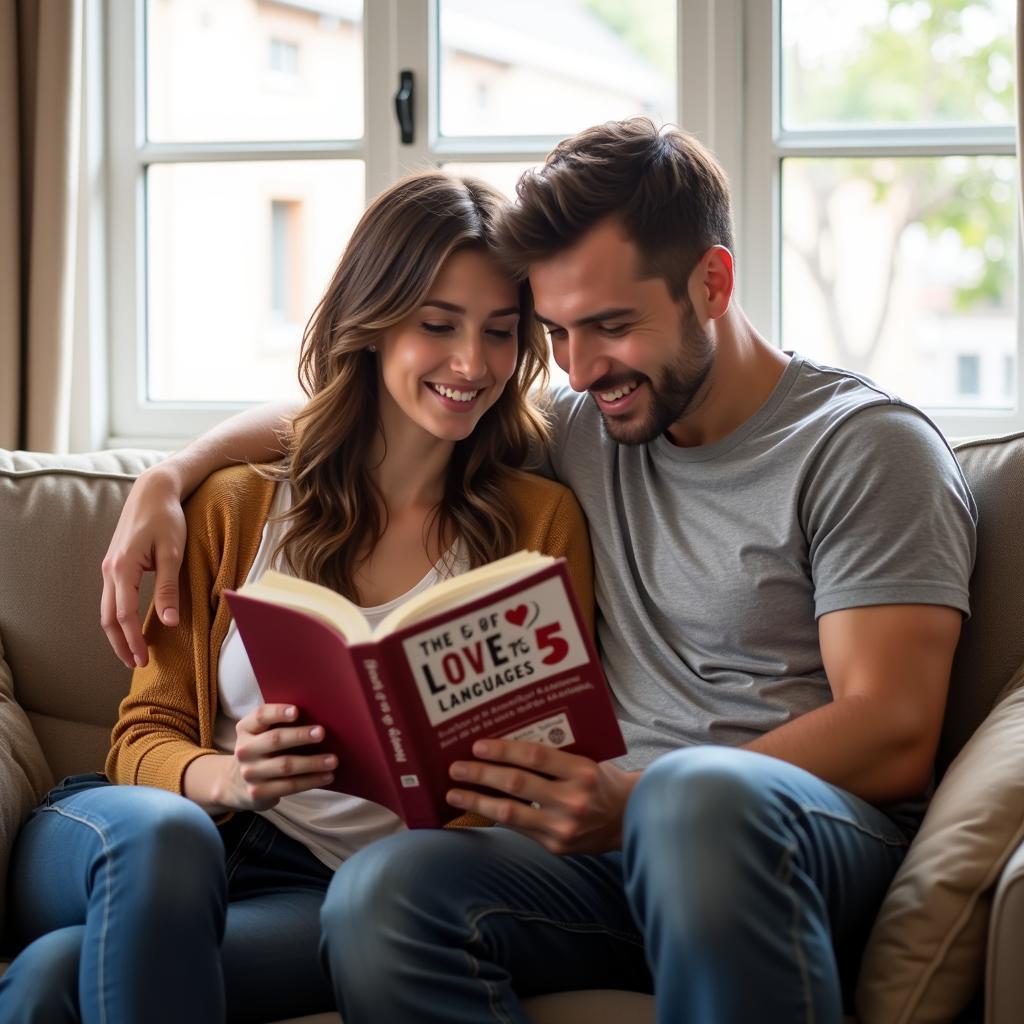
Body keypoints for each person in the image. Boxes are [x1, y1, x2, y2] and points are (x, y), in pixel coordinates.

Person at [96, 119, 976, 1024]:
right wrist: (169, 475)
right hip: (599, 852)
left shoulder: (866, 448)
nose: (580, 366)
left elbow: (895, 731)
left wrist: (634, 802)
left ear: (712, 283)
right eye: (553, 331)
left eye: (611, 326)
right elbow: (373, 403)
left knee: (697, 798)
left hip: (781, 840)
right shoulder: (594, 418)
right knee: (384, 893)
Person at [0, 171, 593, 1024]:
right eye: (437, 325)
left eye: (500, 333)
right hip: (139, 834)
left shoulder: (538, 525)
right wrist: (233, 777)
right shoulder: (237, 504)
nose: (473, 364)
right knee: (165, 847)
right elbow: (142, 738)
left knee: (60, 978)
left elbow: (549, 753)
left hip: (325, 885)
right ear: (375, 321)